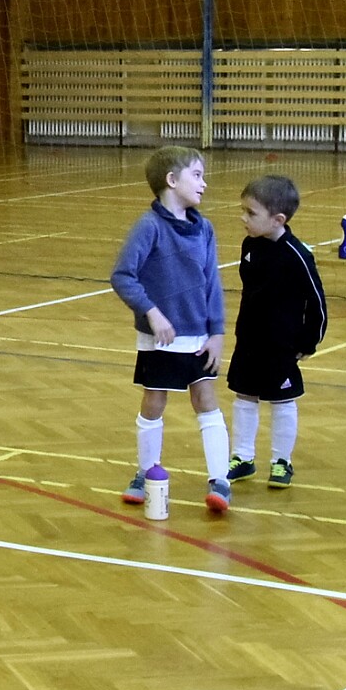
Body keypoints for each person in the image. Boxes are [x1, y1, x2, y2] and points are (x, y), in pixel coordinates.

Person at [110, 147, 233, 517]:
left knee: (205, 399)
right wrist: (152, 313)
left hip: (198, 336)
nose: (204, 183)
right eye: (197, 175)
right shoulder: (148, 227)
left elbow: (212, 282)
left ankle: (220, 480)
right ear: (171, 180)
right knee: (153, 401)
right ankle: (146, 473)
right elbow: (123, 276)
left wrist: (217, 332)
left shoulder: (204, 229)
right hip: (159, 340)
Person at [223, 174, 326, 492]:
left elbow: (317, 301)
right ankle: (242, 457)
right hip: (248, 341)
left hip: (281, 346)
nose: (243, 218)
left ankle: (282, 460)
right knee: (244, 396)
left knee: (282, 401)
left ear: (278, 219)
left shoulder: (297, 255)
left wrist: (310, 340)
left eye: (251, 213)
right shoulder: (249, 246)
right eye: (243, 210)